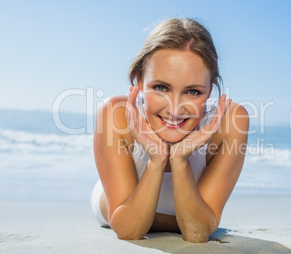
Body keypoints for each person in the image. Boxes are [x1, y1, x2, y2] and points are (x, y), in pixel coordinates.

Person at [90, 18, 249, 243]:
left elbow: (197, 232)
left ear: (210, 90)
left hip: (176, 213)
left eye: (193, 92)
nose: (175, 108)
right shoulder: (115, 113)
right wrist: (156, 160)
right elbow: (128, 230)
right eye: (161, 87)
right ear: (139, 81)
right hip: (115, 205)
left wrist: (180, 159)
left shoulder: (232, 121)